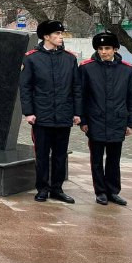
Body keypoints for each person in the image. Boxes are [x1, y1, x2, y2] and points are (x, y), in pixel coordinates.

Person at [20, 19, 82, 203]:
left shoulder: (70, 59)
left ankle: (57, 189)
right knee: (42, 155)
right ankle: (42, 188)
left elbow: (76, 88)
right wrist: (28, 113)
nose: (61, 37)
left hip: (63, 114)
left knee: (60, 155)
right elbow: (25, 88)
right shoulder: (31, 58)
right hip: (42, 116)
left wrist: (77, 112)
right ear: (46, 36)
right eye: (57, 34)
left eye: (61, 33)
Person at [79, 31, 132, 206]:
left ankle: (113, 191)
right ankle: (101, 192)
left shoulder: (126, 70)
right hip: (95, 121)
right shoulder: (87, 68)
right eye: (100, 49)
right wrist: (83, 121)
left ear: (115, 49)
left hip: (118, 121)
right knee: (96, 160)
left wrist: (130, 123)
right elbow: (81, 96)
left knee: (114, 160)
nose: (103, 52)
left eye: (107, 48)